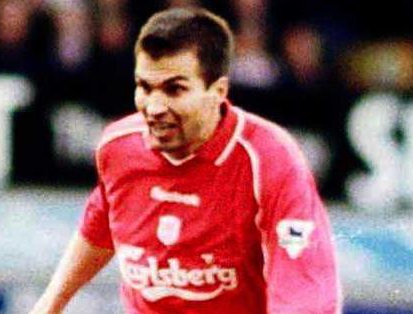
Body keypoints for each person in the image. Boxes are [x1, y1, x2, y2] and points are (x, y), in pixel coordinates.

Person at [29, 7, 341, 314]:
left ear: (217, 91)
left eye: (174, 89)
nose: (154, 107)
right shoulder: (118, 145)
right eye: (144, 87)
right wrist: (50, 303)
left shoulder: (269, 159)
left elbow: (306, 291)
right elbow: (101, 222)